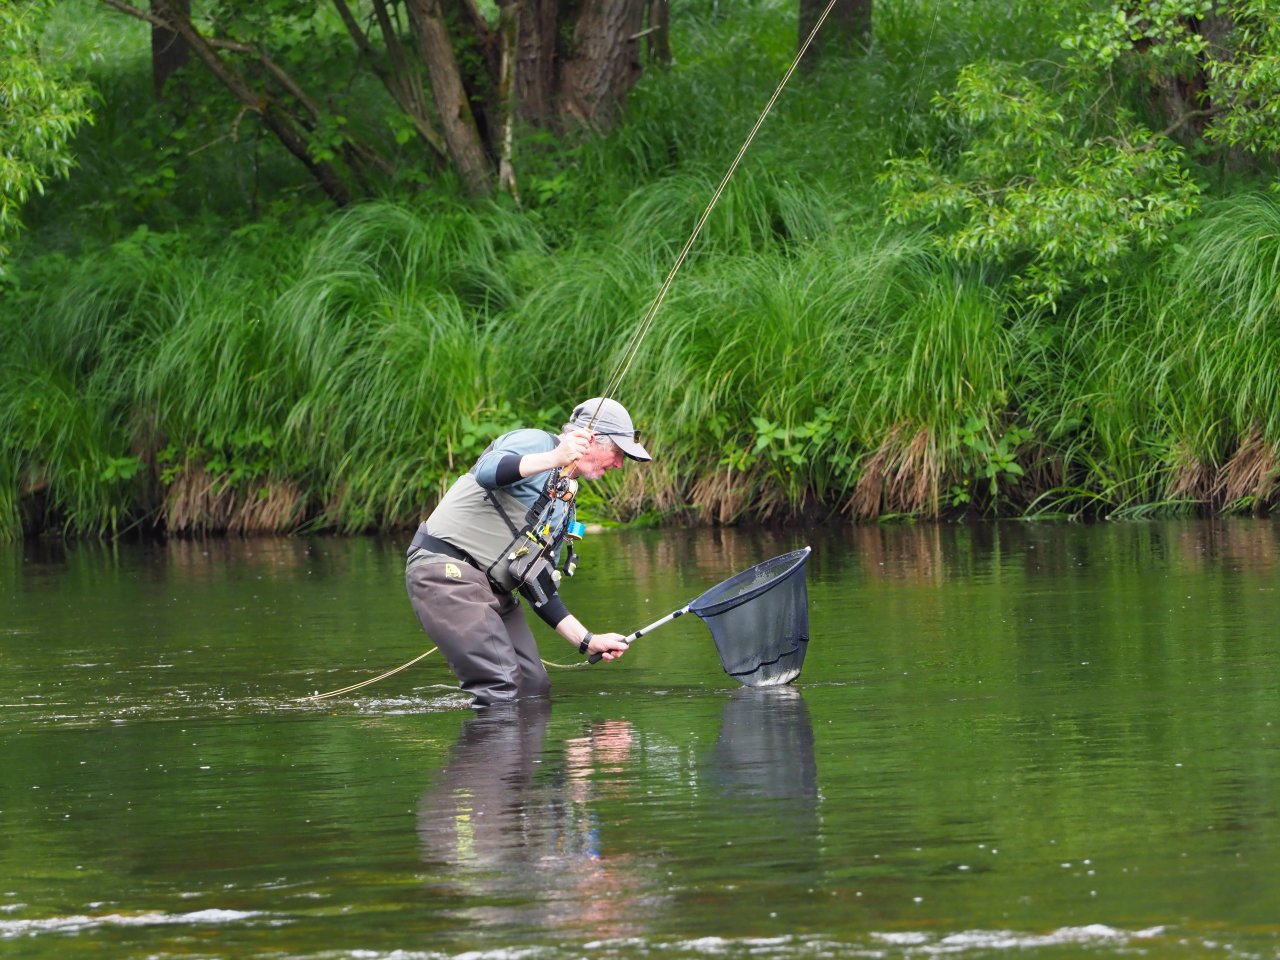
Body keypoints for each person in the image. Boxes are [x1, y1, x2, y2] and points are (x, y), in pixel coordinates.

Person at [406, 397, 651, 707]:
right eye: (617, 453)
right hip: (446, 573)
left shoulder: (564, 505)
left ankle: (549, 756)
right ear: (589, 439)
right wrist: (554, 457)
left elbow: (537, 581)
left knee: (532, 686)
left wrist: (587, 640)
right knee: (501, 684)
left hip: (492, 593)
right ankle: (493, 754)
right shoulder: (536, 441)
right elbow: (488, 470)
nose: (618, 464)